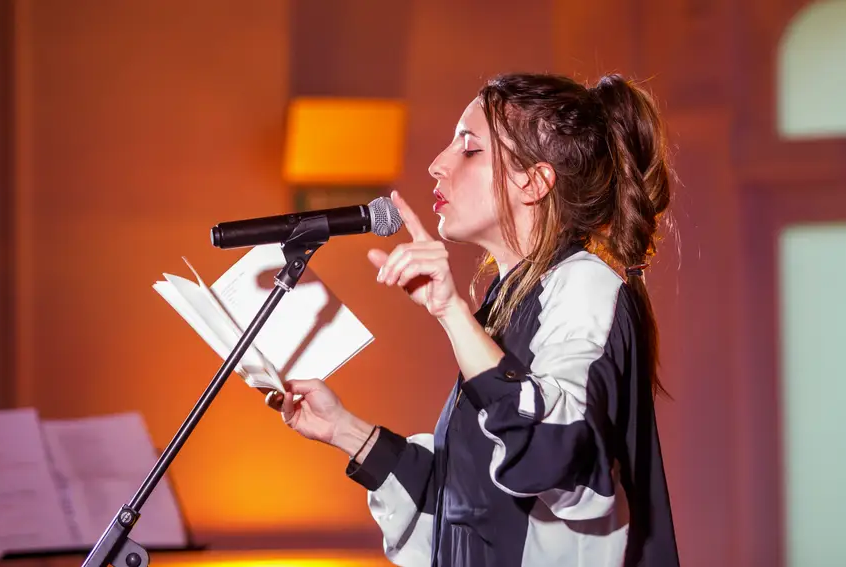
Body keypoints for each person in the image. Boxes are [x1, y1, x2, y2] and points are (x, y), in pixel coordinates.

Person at [268, 72, 680, 567]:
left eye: (469, 148)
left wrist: (451, 313)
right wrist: (344, 430)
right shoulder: (512, 299)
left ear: (534, 181)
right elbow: (461, 506)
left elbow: (558, 455)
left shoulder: (585, 286)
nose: (437, 165)